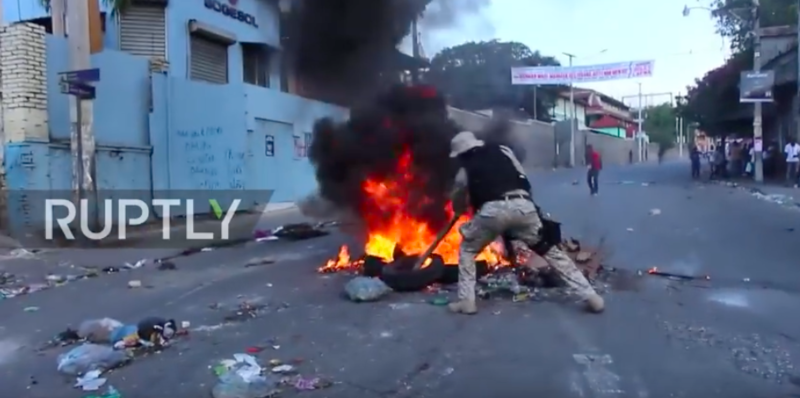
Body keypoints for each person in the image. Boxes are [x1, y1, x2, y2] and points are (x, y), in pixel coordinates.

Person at [447, 131, 604, 315]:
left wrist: (460, 209)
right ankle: (591, 297)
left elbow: (458, 198)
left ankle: (467, 301)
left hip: (492, 212)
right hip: (523, 206)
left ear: (462, 153)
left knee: (467, 250)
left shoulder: (465, 169)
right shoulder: (503, 151)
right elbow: (522, 177)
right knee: (553, 253)